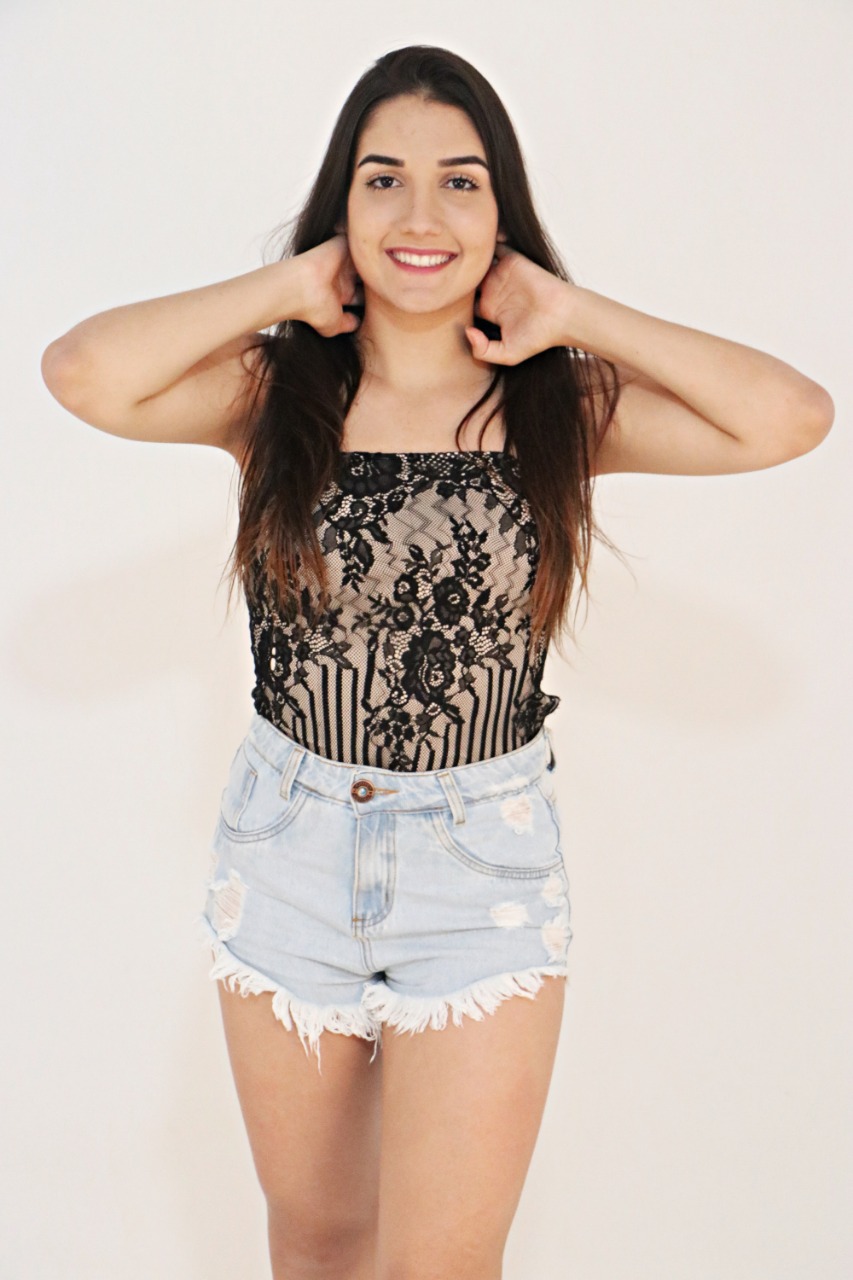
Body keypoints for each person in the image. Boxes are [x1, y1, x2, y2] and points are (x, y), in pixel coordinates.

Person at [41, 42, 833, 1280]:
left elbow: (789, 416)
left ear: (501, 215)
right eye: (383, 180)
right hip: (286, 849)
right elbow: (83, 372)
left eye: (460, 182)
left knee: (443, 1264)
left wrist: (573, 313)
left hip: (483, 870)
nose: (421, 216)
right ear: (342, 204)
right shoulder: (272, 392)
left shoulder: (556, 403)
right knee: (317, 1242)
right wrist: (288, 284)